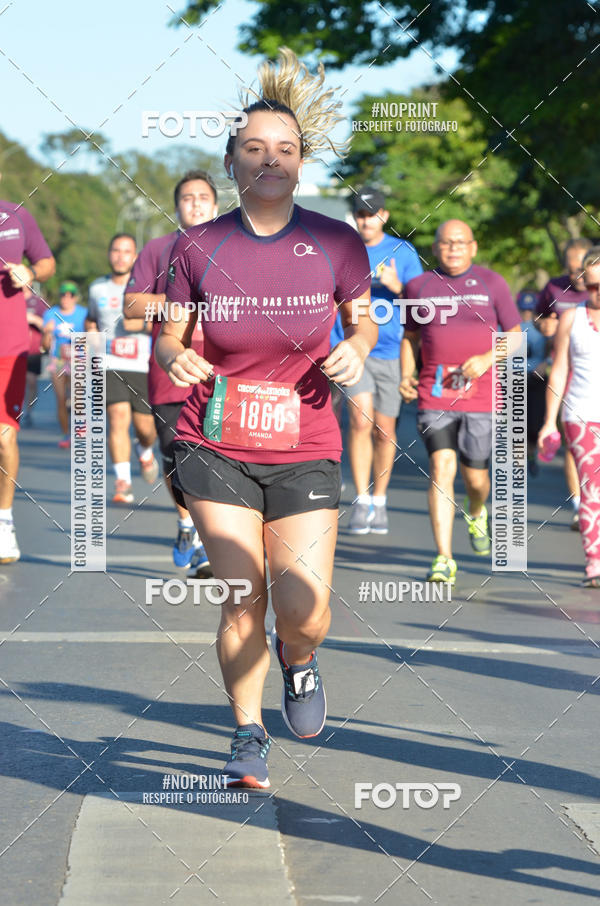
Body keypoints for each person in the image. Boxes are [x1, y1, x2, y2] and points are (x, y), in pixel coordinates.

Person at [155, 47, 376, 788]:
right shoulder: (197, 245)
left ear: (301, 163)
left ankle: (302, 659)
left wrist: (356, 347)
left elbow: (365, 323)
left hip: (306, 439)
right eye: (254, 148)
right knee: (241, 594)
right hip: (213, 437)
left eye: (284, 149)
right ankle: (247, 734)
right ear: (232, 161)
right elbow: (170, 332)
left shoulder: (338, 243)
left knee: (304, 607)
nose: (269, 160)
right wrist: (176, 355)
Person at [400, 219, 521, 585]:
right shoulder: (419, 286)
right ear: (435, 248)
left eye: (459, 242)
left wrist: (486, 359)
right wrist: (406, 374)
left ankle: (477, 509)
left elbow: (515, 336)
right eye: (445, 243)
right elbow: (410, 337)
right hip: (435, 392)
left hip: (482, 395)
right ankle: (444, 557)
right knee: (442, 468)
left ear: (473, 246)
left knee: (476, 477)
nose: (452, 248)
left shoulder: (492, 283)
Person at [123, 171, 218, 574]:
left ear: (216, 205)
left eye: (202, 197)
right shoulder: (159, 249)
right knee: (175, 456)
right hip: (169, 368)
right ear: (176, 206)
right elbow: (131, 307)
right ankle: (185, 523)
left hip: (220, 369)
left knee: (214, 460)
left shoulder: (233, 248)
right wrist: (178, 305)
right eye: (187, 198)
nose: (195, 204)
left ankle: (207, 541)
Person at [345, 187, 422, 535]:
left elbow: (423, 306)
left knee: (384, 430)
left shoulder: (402, 252)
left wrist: (398, 287)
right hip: (355, 348)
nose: (366, 220)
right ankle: (361, 500)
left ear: (384, 216)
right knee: (360, 422)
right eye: (361, 214)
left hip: (391, 351)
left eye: (372, 213)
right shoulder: (343, 248)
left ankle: (380, 500)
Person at [539, 247, 600, 586]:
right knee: (593, 487)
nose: (598, 292)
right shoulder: (571, 318)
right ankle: (595, 561)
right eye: (592, 285)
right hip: (582, 414)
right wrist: (550, 421)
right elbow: (559, 369)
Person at [0, 185, 55, 562]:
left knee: (4, 438)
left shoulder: (15, 215)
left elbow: (46, 262)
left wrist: (30, 271)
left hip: (9, 346)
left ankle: (4, 521)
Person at [87, 234, 158, 504]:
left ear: (135, 257)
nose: (120, 256)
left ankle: (145, 449)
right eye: (115, 250)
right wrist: (91, 333)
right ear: (109, 254)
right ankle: (123, 482)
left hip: (141, 363)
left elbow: (163, 324)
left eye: (126, 251)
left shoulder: (146, 289)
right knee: (117, 418)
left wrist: (140, 325)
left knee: (146, 428)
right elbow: (91, 319)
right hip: (109, 363)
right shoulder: (97, 289)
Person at [536, 238, 593, 528]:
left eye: (582, 270)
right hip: (564, 370)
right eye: (572, 271)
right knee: (574, 443)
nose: (577, 278)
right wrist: (544, 326)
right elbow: (540, 318)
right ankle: (579, 504)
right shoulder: (554, 288)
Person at [41, 282, 87, 447]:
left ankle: (80, 429)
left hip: (78, 359)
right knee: (61, 398)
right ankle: (67, 434)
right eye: (63, 295)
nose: (67, 298)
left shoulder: (84, 314)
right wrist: (46, 333)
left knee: (77, 398)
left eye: (71, 295)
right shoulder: (50, 314)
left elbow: (92, 337)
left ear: (75, 297)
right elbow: (45, 346)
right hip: (58, 360)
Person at [516, 290, 547, 475]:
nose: (526, 315)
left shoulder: (543, 329)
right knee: (516, 422)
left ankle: (531, 454)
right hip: (514, 379)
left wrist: (546, 363)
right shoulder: (508, 326)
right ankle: (518, 462)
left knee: (534, 425)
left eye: (530, 311)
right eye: (523, 311)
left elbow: (554, 352)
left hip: (536, 380)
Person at [22, 284, 48, 426]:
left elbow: (49, 325)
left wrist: (34, 319)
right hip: (13, 350)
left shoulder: (38, 302)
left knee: (31, 381)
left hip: (32, 350)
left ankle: (28, 411)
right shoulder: (10, 299)